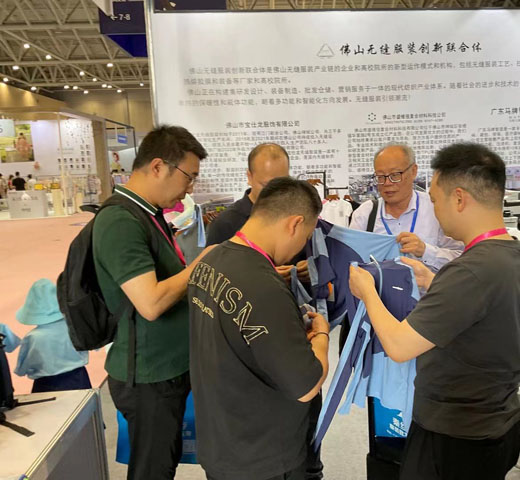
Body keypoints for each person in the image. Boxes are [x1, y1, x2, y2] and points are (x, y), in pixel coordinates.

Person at [349, 142, 520, 480]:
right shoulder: (515, 254)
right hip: (497, 420)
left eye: (436, 201)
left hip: (455, 436)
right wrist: (434, 281)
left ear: (460, 199)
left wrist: (368, 292)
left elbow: (399, 346)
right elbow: (482, 313)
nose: (434, 210)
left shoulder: (468, 271)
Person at [93, 125, 214, 480]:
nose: (190, 188)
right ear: (159, 166)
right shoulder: (120, 220)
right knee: (152, 470)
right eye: (189, 176)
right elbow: (150, 303)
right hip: (148, 377)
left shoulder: (150, 214)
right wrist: (201, 265)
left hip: (165, 370)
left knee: (164, 461)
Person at [189, 177, 329, 480]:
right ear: (295, 224)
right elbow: (306, 386)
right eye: (305, 236)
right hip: (264, 456)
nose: (301, 247)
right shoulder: (263, 284)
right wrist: (321, 335)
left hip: (223, 441)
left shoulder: (210, 260)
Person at [349, 143, 463, 271]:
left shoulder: (436, 209)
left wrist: (425, 251)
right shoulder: (365, 214)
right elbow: (351, 262)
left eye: (395, 175)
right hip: (377, 285)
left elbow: (462, 258)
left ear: (413, 171)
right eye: (380, 177)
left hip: (430, 284)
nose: (387, 183)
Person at [14, 279, 91, 392]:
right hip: (78, 377)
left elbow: (22, 368)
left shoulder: (32, 338)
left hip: (46, 383)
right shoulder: (74, 328)